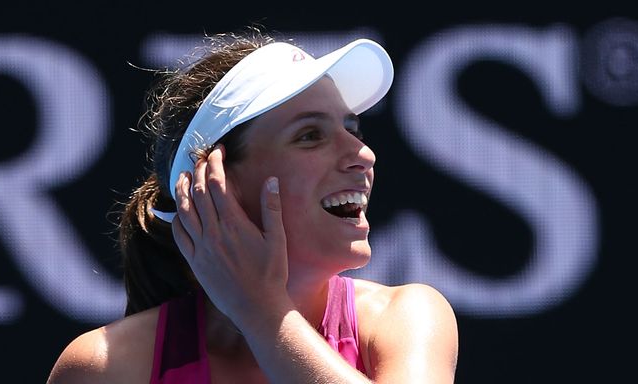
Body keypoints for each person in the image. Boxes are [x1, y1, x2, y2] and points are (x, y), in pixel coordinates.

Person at [47, 27, 459, 383]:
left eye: (351, 128)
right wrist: (261, 312)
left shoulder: (407, 318)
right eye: (310, 135)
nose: (363, 154)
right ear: (215, 183)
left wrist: (262, 313)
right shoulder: (103, 369)